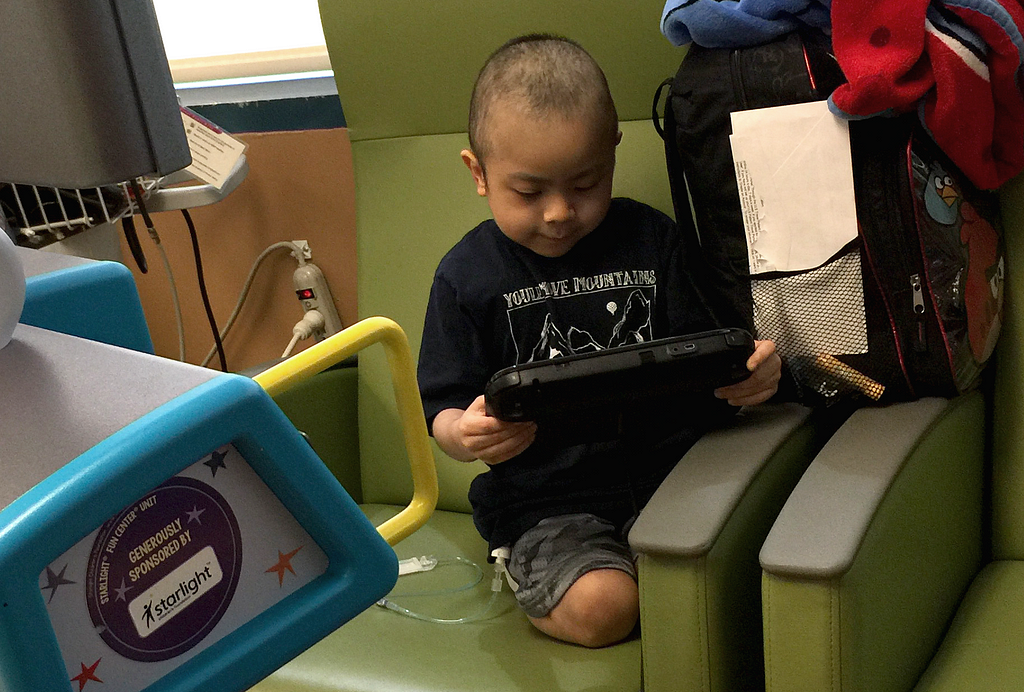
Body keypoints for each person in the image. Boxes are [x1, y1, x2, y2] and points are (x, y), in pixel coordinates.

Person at [417, 34, 781, 648]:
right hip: (547, 503)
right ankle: (532, 574)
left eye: (585, 184)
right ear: (478, 173)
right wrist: (465, 432)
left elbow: (709, 362)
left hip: (676, 475)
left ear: (613, 152)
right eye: (530, 192)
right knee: (607, 609)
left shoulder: (652, 239)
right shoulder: (465, 276)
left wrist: (752, 380)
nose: (560, 212)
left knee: (727, 584)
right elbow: (443, 409)